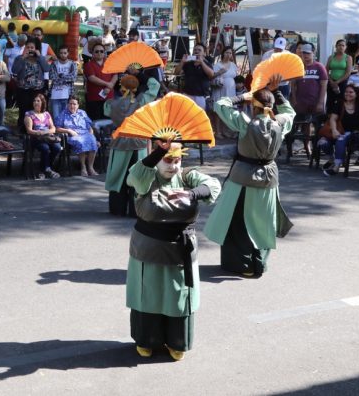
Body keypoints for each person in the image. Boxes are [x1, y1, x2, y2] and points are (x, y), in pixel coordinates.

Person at [126, 139, 221, 361]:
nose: (173, 166)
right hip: (147, 250)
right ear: (158, 161)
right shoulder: (147, 177)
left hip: (181, 250)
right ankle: (146, 340)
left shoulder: (188, 176)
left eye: (177, 160)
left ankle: (177, 341)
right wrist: (159, 151)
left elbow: (214, 185)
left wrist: (192, 194)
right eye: (167, 160)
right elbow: (134, 176)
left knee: (178, 296)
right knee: (148, 294)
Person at [204, 75, 295, 278]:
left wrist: (242, 96)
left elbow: (220, 104)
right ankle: (259, 263)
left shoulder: (246, 123)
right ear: (271, 106)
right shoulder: (280, 122)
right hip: (269, 177)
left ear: (253, 106)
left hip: (242, 177)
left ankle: (242, 264)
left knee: (238, 222)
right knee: (264, 222)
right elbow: (290, 112)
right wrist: (277, 91)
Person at [105, 70, 161, 216]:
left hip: (119, 143)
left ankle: (117, 208)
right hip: (138, 142)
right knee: (137, 175)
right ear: (136, 88)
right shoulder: (142, 101)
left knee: (118, 175)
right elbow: (155, 85)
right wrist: (141, 75)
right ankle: (136, 210)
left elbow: (105, 109)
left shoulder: (111, 104)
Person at [319, 84, 359, 177]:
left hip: (354, 134)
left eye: (351, 92)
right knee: (322, 142)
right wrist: (334, 130)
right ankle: (332, 158)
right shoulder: (340, 104)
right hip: (337, 131)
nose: (347, 94)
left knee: (341, 139)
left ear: (356, 94)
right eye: (346, 92)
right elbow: (333, 119)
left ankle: (336, 167)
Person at [11, 38, 51, 130]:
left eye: (32, 47)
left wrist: (40, 56)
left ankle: (37, 128)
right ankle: (22, 129)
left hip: (37, 90)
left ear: (36, 48)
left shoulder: (40, 59)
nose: (30, 49)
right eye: (28, 47)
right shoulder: (19, 58)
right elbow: (14, 70)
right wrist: (23, 58)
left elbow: (46, 69)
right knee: (23, 110)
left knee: (37, 110)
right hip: (23, 90)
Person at [54, 95, 99, 176]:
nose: (72, 106)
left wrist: (92, 136)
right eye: (70, 104)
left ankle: (91, 167)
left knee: (93, 141)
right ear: (67, 104)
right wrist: (68, 130)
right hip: (72, 136)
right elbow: (57, 128)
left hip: (85, 133)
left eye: (74, 104)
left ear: (78, 105)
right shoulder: (63, 114)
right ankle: (83, 167)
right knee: (80, 142)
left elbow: (89, 125)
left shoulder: (82, 113)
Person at [24, 93, 62, 180]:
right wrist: (39, 133)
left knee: (57, 147)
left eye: (38, 101)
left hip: (47, 137)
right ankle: (46, 169)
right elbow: (29, 130)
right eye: (34, 101)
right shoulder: (29, 114)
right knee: (45, 148)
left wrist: (46, 131)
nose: (36, 102)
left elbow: (53, 128)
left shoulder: (47, 114)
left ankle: (45, 168)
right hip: (36, 138)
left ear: (42, 102)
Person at [83, 42, 118, 121]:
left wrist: (109, 87)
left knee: (108, 121)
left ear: (104, 52)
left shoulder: (110, 63)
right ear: (92, 53)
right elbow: (92, 78)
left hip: (109, 97)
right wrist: (107, 84)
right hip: (94, 98)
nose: (99, 53)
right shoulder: (88, 64)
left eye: (101, 51)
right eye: (97, 51)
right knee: (95, 122)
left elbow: (115, 75)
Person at [174, 43, 214, 110]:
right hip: (187, 95)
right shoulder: (188, 63)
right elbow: (176, 72)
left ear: (204, 53)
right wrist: (182, 61)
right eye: (195, 50)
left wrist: (202, 62)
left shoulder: (207, 63)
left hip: (201, 96)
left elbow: (211, 74)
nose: (196, 51)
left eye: (199, 50)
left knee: (199, 118)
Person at [211, 47, 239, 139]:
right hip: (220, 89)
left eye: (230, 53)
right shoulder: (217, 65)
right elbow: (212, 77)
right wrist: (219, 73)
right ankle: (218, 132)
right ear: (223, 54)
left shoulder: (233, 65)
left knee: (229, 110)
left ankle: (227, 131)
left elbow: (236, 77)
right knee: (219, 110)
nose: (228, 55)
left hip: (231, 90)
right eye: (227, 52)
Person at [49, 45, 78, 117]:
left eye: (65, 53)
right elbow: (52, 76)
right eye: (61, 53)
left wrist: (61, 76)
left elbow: (73, 77)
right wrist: (66, 78)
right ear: (59, 53)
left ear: (68, 53)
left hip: (68, 94)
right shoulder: (54, 64)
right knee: (56, 117)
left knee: (67, 117)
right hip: (55, 94)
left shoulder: (72, 64)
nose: (63, 55)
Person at [325, 39, 353, 114]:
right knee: (330, 100)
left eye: (343, 45)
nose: (341, 47)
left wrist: (337, 81)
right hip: (331, 81)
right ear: (336, 46)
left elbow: (348, 72)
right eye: (339, 45)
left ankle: (340, 117)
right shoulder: (331, 57)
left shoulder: (348, 58)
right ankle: (328, 117)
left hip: (342, 82)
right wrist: (331, 80)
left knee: (341, 100)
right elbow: (326, 70)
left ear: (345, 47)